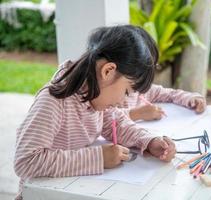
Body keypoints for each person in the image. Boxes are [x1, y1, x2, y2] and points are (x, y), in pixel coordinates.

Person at [14, 25, 176, 200]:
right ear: (108, 71)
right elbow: (26, 161)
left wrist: (149, 141)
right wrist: (98, 158)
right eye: (127, 91)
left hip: (71, 190)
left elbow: (118, 124)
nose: (124, 101)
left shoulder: (96, 96)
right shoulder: (53, 101)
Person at [122, 84, 206, 121]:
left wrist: (191, 98)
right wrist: (136, 114)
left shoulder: (142, 89)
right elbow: (110, 119)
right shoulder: (110, 97)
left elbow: (170, 94)